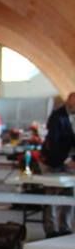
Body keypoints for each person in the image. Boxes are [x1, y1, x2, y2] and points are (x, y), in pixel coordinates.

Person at [40, 92, 75, 238]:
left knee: (69, 195)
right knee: (51, 195)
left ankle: (65, 227)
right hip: (54, 160)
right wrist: (67, 161)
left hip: (71, 161)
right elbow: (53, 143)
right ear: (68, 101)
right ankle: (51, 229)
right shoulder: (56, 116)